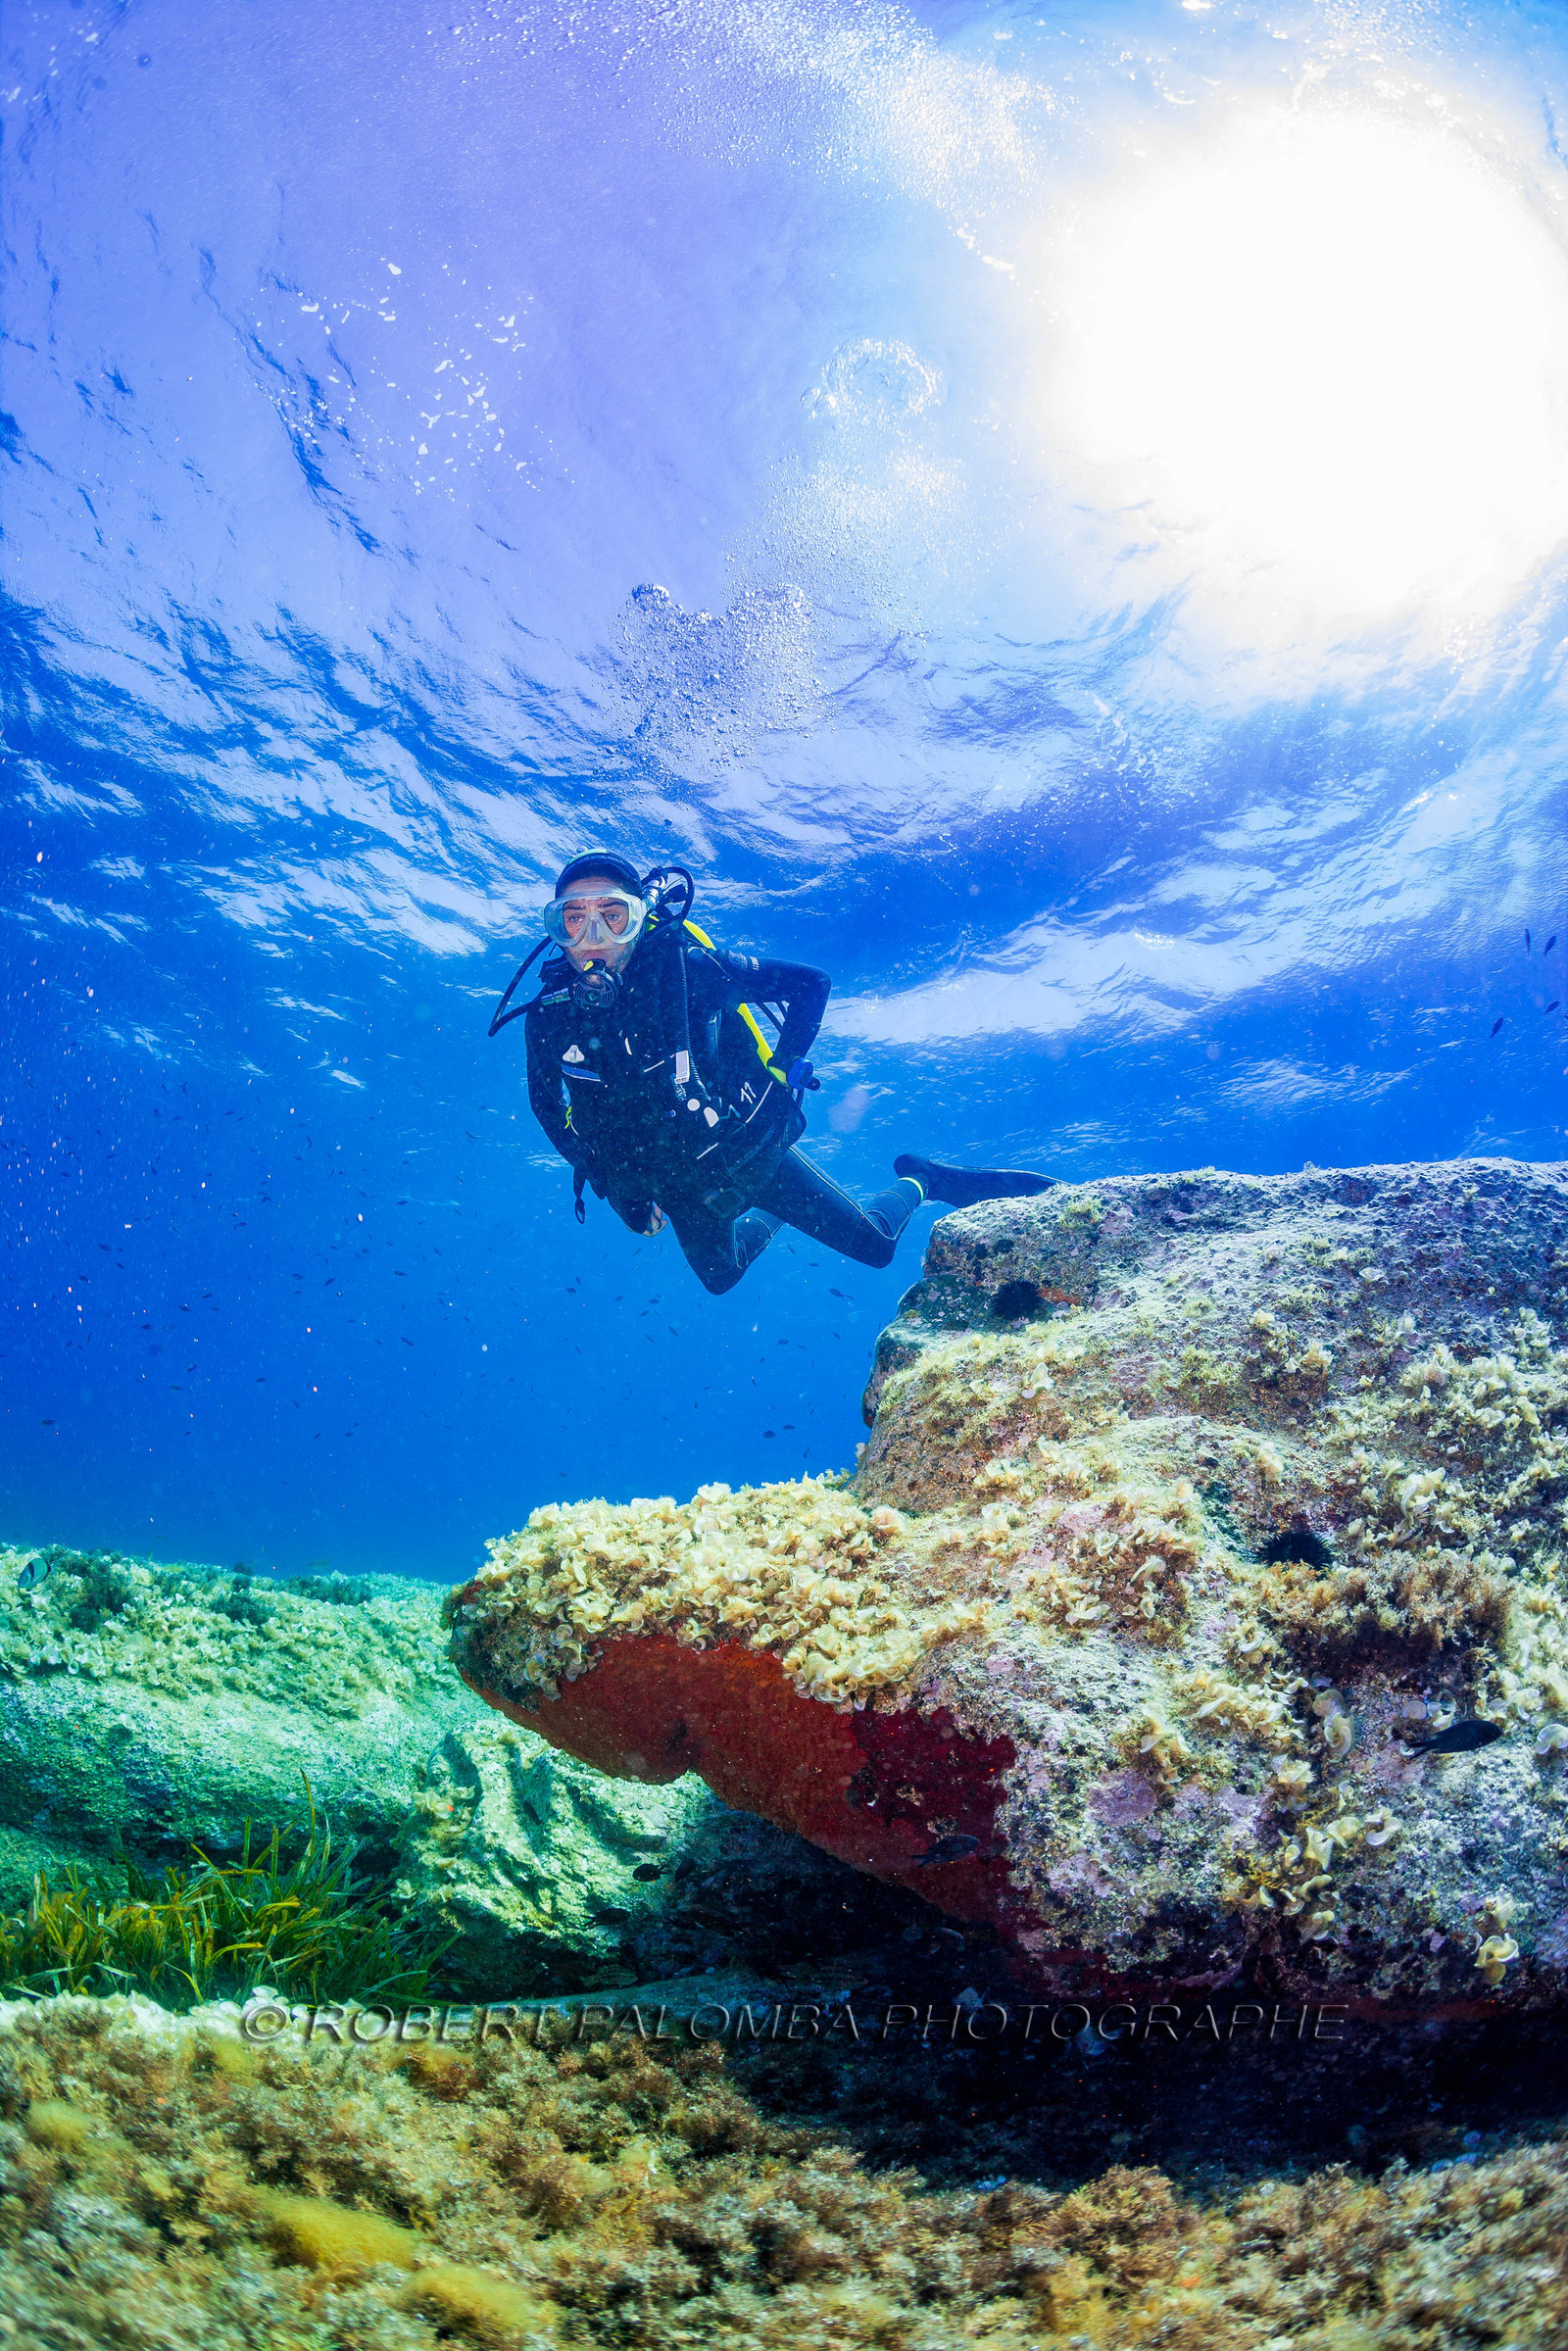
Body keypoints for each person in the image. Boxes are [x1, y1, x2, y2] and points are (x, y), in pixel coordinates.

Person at [493, 853, 1053, 1296]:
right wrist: (614, 1187)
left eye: (612, 915)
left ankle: (925, 1179)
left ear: (639, 919)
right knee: (721, 1278)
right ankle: (772, 1215)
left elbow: (810, 985)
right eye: (573, 918)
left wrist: (783, 1072)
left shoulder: (689, 971)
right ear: (557, 928)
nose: (592, 936)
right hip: (674, 1183)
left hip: (746, 1151)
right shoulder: (548, 1018)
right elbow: (548, 1108)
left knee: (877, 1247)